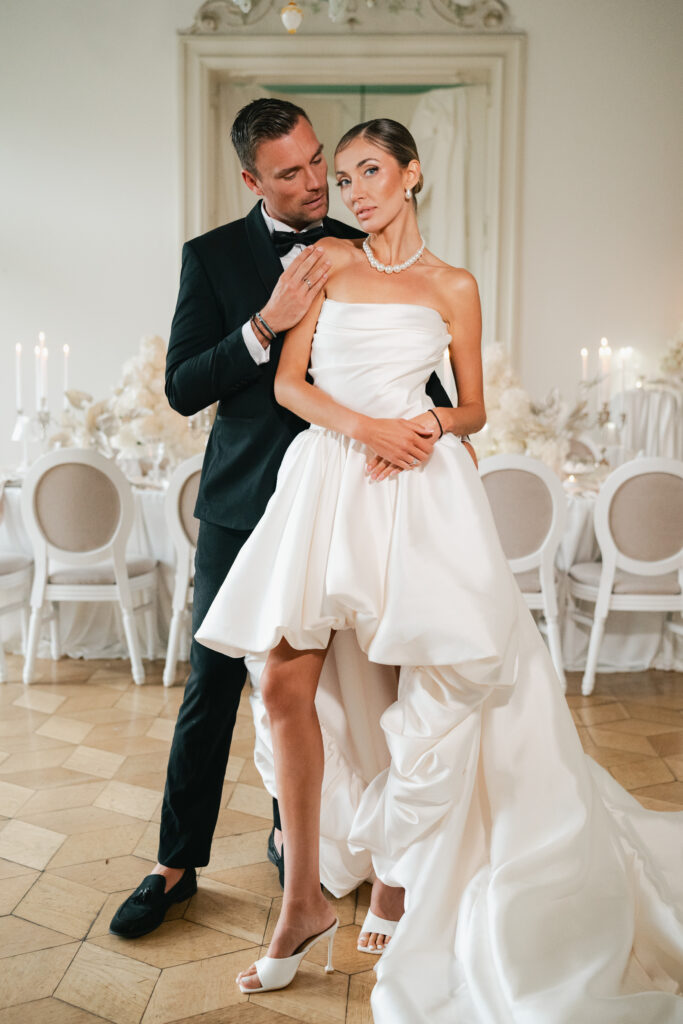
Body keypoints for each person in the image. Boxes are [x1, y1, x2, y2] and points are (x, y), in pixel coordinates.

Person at [195, 118, 683, 1022]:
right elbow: (289, 386)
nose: (354, 191)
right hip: (326, 478)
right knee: (282, 688)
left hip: (412, 491)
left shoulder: (452, 283)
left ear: (412, 174)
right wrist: (367, 427)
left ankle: (395, 880)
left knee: (397, 695)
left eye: (370, 171)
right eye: (342, 180)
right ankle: (302, 897)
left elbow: (473, 409)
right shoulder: (323, 268)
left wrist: (424, 427)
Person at [109, 99, 453, 939]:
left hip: (344, 506)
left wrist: (443, 436)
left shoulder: (355, 245)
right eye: (290, 172)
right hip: (241, 505)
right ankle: (175, 864)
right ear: (250, 178)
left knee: (325, 686)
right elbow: (185, 385)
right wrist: (265, 326)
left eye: (315, 165)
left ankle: (298, 840)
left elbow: (410, 371)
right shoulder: (212, 257)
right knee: (213, 686)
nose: (311, 185)